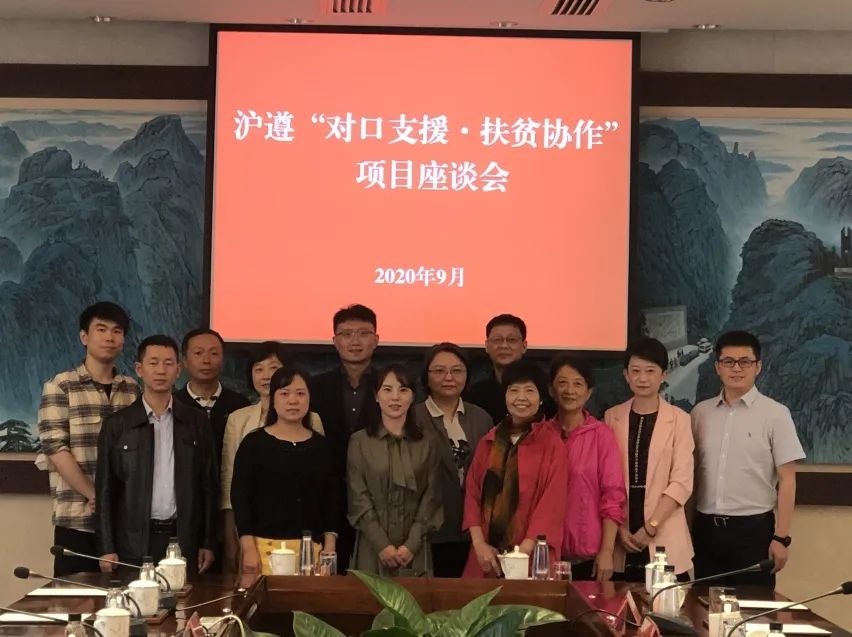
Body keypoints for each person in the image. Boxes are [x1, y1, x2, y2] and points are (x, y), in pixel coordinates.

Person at [95, 335, 218, 574]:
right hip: (133, 541)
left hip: (183, 538)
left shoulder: (196, 421)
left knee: (184, 598)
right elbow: (105, 490)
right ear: (139, 369)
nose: (161, 370)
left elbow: (208, 486)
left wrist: (208, 542)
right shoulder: (118, 425)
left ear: (178, 370)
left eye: (168, 363)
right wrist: (106, 547)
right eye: (153, 363)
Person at [691, 331, 805, 588]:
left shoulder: (776, 414)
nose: (736, 368)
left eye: (745, 361)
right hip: (706, 529)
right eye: (728, 361)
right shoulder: (700, 413)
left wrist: (782, 538)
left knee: (753, 606)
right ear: (717, 367)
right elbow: (693, 475)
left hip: (753, 531)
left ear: (758, 366)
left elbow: (787, 480)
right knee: (703, 606)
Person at [36, 302, 139, 576]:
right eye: (101, 329)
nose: (109, 337)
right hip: (78, 518)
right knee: (74, 595)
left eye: (117, 331)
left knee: (126, 594)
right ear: (84, 337)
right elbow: (56, 449)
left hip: (123, 521)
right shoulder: (60, 386)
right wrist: (95, 496)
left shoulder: (132, 389)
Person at [220, 342, 325, 572]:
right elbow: (234, 486)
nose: (266, 375)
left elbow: (325, 488)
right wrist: (236, 539)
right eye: (259, 369)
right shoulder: (241, 423)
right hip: (259, 538)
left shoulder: (315, 428)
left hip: (307, 539)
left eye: (273, 368)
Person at [462, 360, 566, 578]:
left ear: (541, 398)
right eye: (514, 390)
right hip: (486, 555)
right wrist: (479, 544)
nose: (521, 397)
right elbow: (472, 494)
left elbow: (552, 504)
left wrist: (521, 553)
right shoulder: (489, 440)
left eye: (529, 390)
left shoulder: (552, 443)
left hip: (531, 554)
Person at [604, 338, 694, 582]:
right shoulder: (612, 417)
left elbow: (682, 482)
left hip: (664, 530)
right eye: (635, 371)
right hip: (621, 533)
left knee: (666, 602)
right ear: (626, 375)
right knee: (618, 602)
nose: (642, 378)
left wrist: (651, 527)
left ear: (664, 374)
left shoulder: (679, 419)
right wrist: (618, 528)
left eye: (650, 371)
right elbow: (605, 480)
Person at [347, 364, 442, 576]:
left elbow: (432, 498)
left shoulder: (428, 443)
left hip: (415, 546)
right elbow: (357, 497)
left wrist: (411, 545)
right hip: (372, 545)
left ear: (413, 396)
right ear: (376, 396)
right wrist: (382, 545)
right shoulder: (360, 441)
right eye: (387, 390)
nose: (395, 397)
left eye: (403, 390)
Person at [311, 304, 381, 570]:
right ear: (335, 341)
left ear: (376, 340)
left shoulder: (391, 386)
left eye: (363, 333)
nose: (355, 341)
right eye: (347, 334)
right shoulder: (315, 387)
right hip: (327, 492)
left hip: (377, 497)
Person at [414, 343, 493, 577]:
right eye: (439, 371)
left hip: (474, 532)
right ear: (426, 377)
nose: (448, 377)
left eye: (457, 370)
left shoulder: (481, 418)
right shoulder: (413, 418)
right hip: (428, 531)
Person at [545, 355, 625, 582]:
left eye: (578, 383)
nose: (569, 390)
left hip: (588, 557)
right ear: (551, 390)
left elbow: (613, 496)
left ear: (588, 392)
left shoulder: (601, 435)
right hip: (544, 555)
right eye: (562, 383)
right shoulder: (540, 434)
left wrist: (607, 551)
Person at [173, 328, 250, 462]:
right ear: (184, 360)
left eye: (214, 353)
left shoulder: (240, 405)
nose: (206, 360)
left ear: (222, 359)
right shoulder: (173, 404)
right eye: (198, 353)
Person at [465, 314, 555, 422]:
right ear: (487, 345)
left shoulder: (543, 387)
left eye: (511, 340)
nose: (504, 346)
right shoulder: (476, 394)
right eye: (497, 340)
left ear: (524, 346)